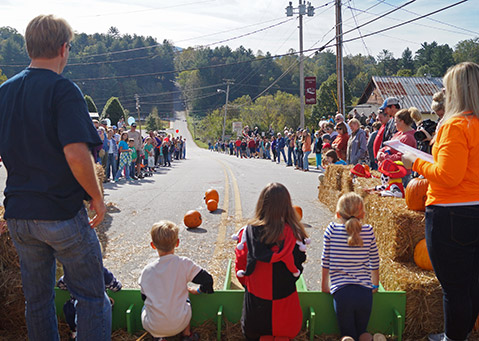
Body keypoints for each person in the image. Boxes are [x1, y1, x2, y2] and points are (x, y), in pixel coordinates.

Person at [0, 15, 109, 340]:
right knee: (91, 298)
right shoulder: (64, 90)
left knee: (37, 302)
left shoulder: (4, 92)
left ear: (29, 47)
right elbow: (77, 154)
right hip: (60, 213)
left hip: (19, 214)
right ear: (64, 49)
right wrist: (97, 196)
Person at [402, 62, 479, 341]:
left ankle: (453, 338)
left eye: (447, 88)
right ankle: (461, 334)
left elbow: (447, 176)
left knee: (455, 287)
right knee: (472, 284)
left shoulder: (455, 125)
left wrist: (415, 162)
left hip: (451, 213)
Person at [236, 183, 308, 340]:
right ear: (287, 205)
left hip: (256, 306)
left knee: (257, 335)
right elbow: (297, 269)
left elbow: (241, 265)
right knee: (284, 333)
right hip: (286, 304)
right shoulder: (296, 235)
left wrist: (249, 284)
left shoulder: (249, 232)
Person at [321, 192, 382, 341]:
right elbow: (375, 260)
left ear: (337, 213)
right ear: (362, 214)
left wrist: (324, 285)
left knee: (347, 334)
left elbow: (325, 260)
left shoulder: (331, 230)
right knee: (363, 331)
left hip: (342, 293)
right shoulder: (368, 231)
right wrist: (375, 284)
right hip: (364, 294)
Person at [139, 221, 214, 341]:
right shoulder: (184, 264)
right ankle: (187, 334)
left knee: (147, 305)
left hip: (153, 326)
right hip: (180, 324)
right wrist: (199, 290)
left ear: (153, 245)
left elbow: (144, 298)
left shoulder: (146, 271)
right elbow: (207, 280)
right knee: (186, 297)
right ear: (177, 243)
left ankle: (159, 338)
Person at [57, 267, 122, 341]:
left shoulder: (71, 271)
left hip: (74, 311)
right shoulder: (100, 270)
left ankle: (74, 333)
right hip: (96, 310)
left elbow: (60, 285)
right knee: (105, 305)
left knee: (70, 307)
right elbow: (116, 287)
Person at [377, 107, 418, 187]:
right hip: (392, 171)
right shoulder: (399, 134)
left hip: (401, 173)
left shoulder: (408, 137)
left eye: (396, 122)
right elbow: (386, 146)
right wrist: (381, 152)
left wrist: (383, 156)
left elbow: (401, 156)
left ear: (402, 122)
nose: (395, 125)